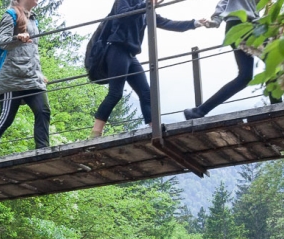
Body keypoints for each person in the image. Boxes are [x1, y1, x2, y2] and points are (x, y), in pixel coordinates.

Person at [86, 0, 206, 137]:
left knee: (146, 93)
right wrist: (147, 5)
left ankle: (154, 128)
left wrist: (194, 23)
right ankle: (96, 133)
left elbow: (166, 23)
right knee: (115, 93)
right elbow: (123, 14)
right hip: (116, 49)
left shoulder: (145, 7)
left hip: (130, 55)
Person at [0, 0, 52, 158]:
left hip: (33, 77)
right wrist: (17, 37)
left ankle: (43, 151)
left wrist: (39, 72)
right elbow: (1, 42)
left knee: (43, 111)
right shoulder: (10, 15)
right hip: (11, 77)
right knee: (6, 118)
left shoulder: (33, 18)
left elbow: (31, 51)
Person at [184, 0, 278, 119]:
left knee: (245, 77)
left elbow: (225, 4)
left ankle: (199, 111)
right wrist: (215, 21)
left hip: (240, 27)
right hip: (244, 25)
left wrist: (215, 21)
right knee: (275, 63)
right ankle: (278, 107)